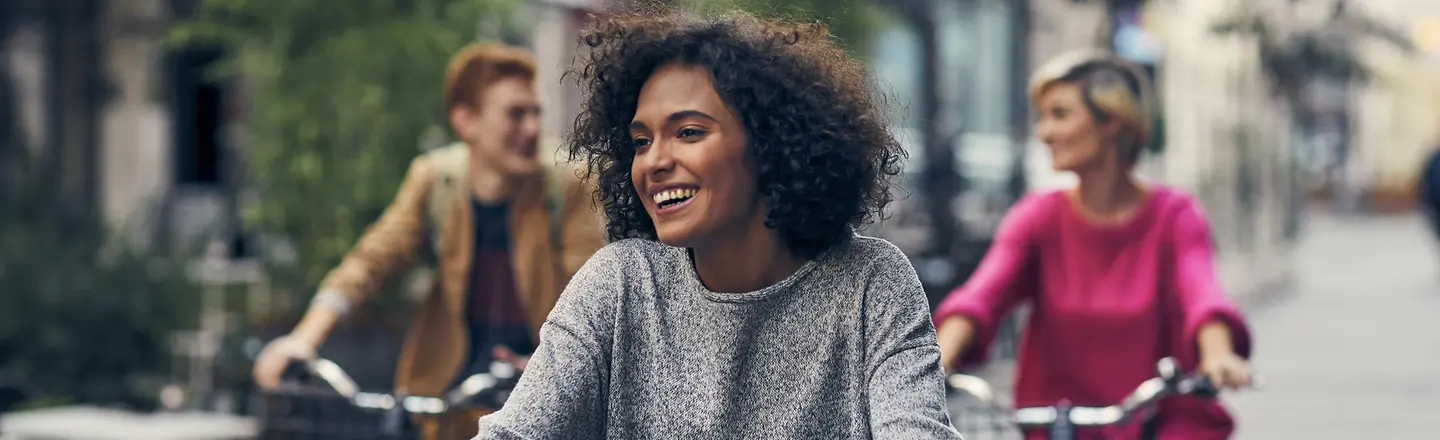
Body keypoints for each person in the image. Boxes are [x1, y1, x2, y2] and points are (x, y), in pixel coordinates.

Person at [473, 10, 961, 440]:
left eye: (688, 132)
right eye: (641, 141)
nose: (654, 162)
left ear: (770, 145)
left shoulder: (870, 283)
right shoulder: (622, 284)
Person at [250, 43, 607, 439]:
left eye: (534, 113)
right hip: (447, 395)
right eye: (515, 114)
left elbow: (589, 291)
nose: (532, 128)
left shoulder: (565, 185)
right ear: (465, 121)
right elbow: (371, 262)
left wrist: (555, 364)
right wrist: (304, 339)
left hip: (537, 394)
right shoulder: (436, 180)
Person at [933, 50, 1255, 440]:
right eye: (1043, 116)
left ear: (1112, 122)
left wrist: (1217, 354)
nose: (1044, 132)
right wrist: (938, 361)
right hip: (1056, 426)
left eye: (1060, 114)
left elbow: (1202, 294)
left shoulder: (1175, 216)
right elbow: (982, 296)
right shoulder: (1038, 217)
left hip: (1160, 424)